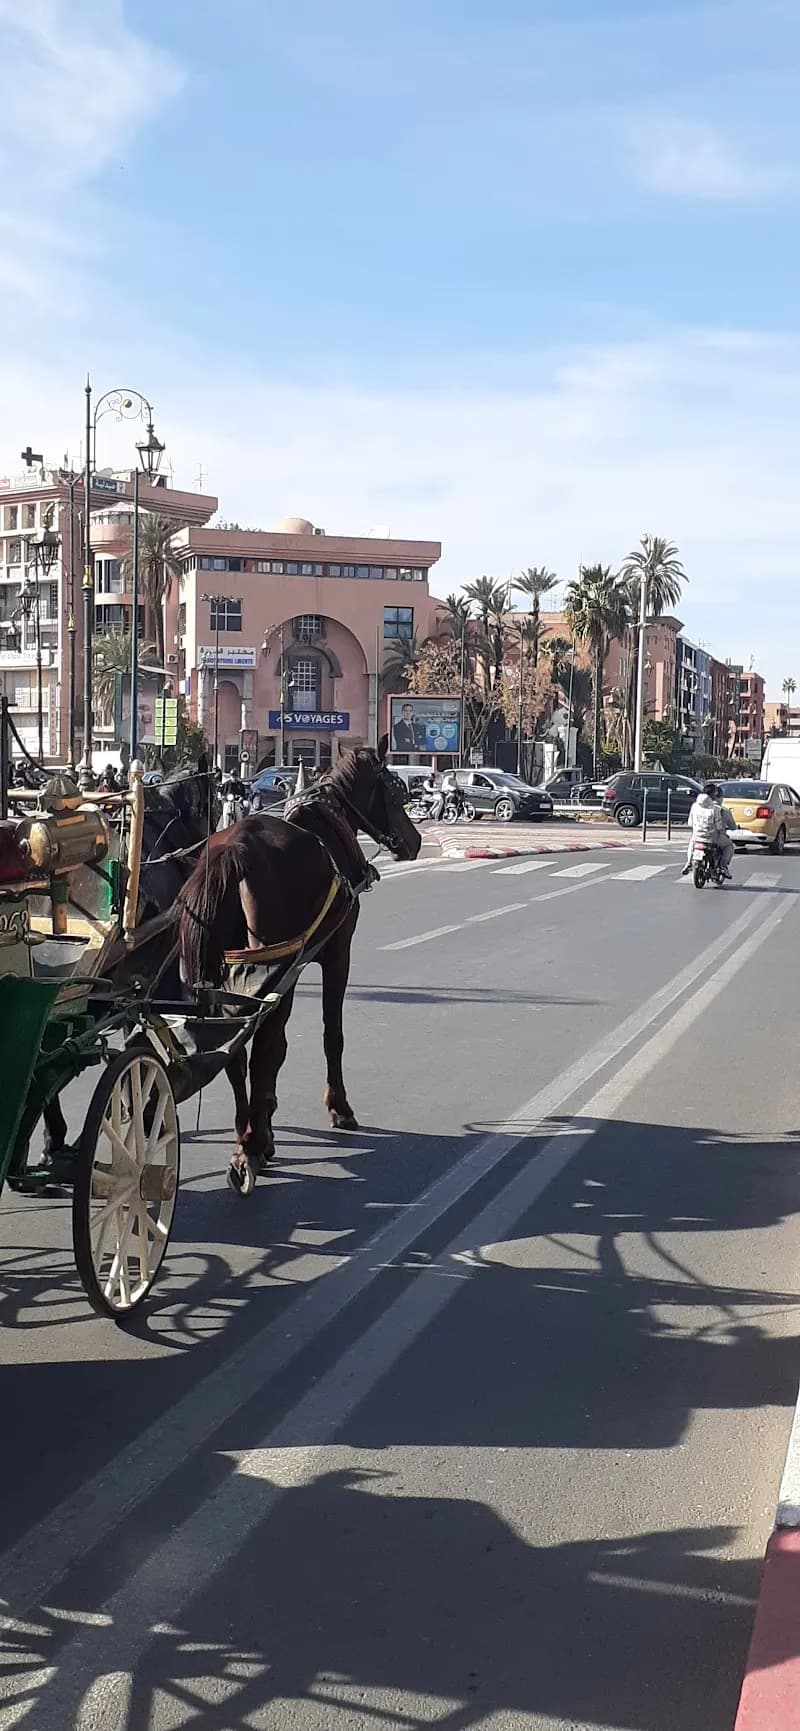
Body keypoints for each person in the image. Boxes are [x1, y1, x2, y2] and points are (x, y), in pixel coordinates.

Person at [681, 783, 733, 878]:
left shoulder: (694, 806)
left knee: (692, 844)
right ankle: (723, 866)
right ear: (713, 794)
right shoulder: (715, 809)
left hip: (697, 836)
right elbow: (718, 826)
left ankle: (688, 862)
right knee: (729, 845)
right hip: (711, 837)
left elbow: (690, 822)